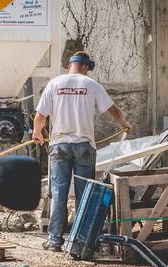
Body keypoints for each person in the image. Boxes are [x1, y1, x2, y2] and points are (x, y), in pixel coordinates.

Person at [32, 51, 131, 252]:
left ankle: (54, 240)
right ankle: (81, 240)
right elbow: (113, 109)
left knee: (59, 192)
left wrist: (37, 133)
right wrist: (124, 124)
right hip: (84, 146)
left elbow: (40, 115)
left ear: (70, 65)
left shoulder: (55, 83)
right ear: (85, 67)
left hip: (59, 145)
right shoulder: (91, 84)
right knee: (83, 194)